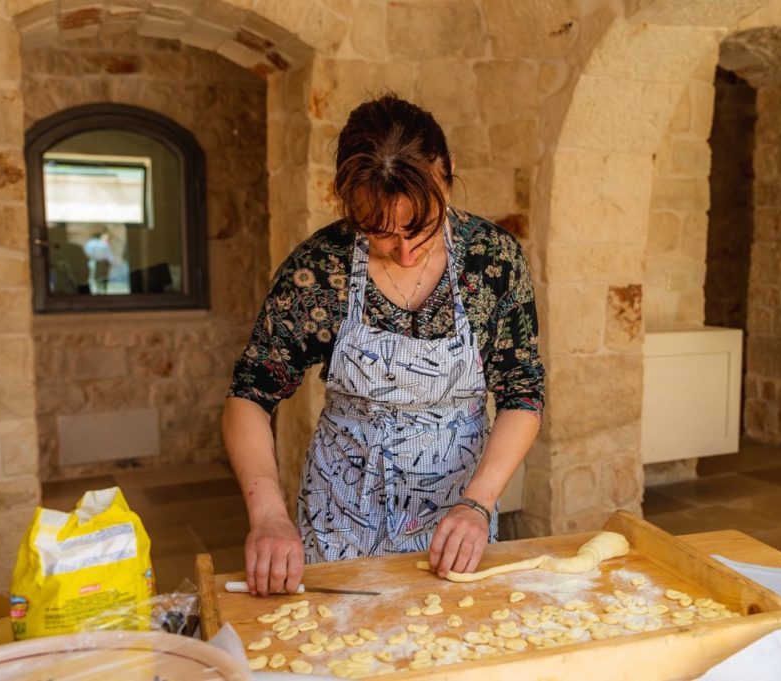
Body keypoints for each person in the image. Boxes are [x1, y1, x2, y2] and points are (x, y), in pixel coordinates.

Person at [223, 95, 545, 596]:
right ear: (346, 200)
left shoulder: (492, 260)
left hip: (456, 513)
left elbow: (522, 394)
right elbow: (250, 394)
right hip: (339, 510)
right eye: (379, 233)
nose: (405, 250)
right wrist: (267, 515)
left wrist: (477, 504)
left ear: (448, 172)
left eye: (422, 227)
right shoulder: (321, 267)